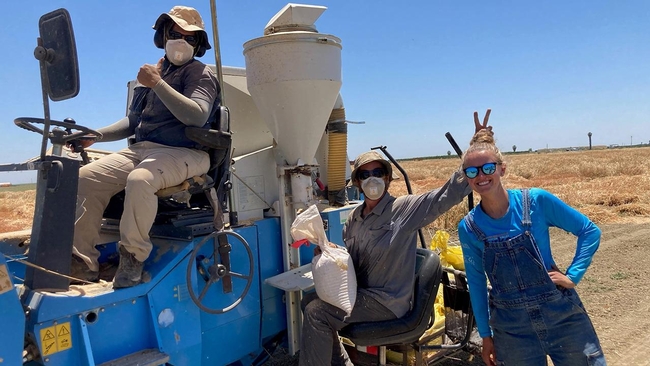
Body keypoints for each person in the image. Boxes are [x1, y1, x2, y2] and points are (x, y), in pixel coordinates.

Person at [299, 111, 492, 366]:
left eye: (377, 172)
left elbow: (447, 194)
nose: (372, 179)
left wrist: (480, 145)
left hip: (388, 302)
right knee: (309, 300)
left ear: (388, 178)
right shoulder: (355, 218)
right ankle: (340, 361)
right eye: (365, 175)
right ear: (357, 182)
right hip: (362, 296)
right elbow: (352, 266)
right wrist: (330, 255)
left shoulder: (405, 209)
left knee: (317, 312)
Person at [69, 6, 220, 289]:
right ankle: (84, 262)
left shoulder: (200, 73)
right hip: (143, 149)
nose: (181, 41)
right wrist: (94, 136)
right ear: (164, 35)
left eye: (190, 38)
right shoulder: (149, 75)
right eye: (176, 34)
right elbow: (132, 121)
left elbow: (197, 116)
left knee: (140, 180)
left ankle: (132, 259)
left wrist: (158, 83)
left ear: (197, 45)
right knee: (84, 179)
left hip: (188, 152)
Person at [457, 131, 606, 365]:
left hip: (562, 317)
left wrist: (573, 276)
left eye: (487, 168)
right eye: (472, 171)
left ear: (501, 169)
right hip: (511, 328)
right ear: (466, 178)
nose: (481, 176)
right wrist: (486, 336)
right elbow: (475, 284)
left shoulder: (536, 201)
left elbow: (589, 231)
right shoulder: (469, 228)